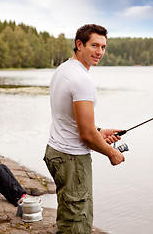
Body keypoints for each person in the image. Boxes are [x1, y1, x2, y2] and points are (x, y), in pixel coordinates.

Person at [44, 24, 125, 234]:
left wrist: (100, 131)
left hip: (57, 152)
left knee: (68, 215)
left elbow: (71, 119)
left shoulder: (64, 69)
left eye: (104, 47)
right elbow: (87, 136)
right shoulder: (82, 79)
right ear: (79, 44)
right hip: (72, 160)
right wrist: (111, 153)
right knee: (76, 224)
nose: (100, 52)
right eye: (94, 45)